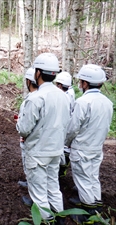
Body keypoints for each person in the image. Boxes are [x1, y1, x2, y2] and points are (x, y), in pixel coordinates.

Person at [16, 53, 70, 223]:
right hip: (55, 151)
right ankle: (59, 219)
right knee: (53, 188)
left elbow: (24, 129)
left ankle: (47, 221)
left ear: (37, 73)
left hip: (38, 152)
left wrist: (18, 124)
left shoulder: (36, 98)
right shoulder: (63, 96)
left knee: (39, 193)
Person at [65, 64, 113, 224]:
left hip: (82, 147)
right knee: (93, 178)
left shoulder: (83, 102)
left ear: (85, 83)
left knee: (83, 180)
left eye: (81, 81)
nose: (79, 84)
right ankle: (96, 206)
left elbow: (73, 128)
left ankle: (87, 215)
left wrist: (66, 142)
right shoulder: (107, 102)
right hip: (96, 147)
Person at [15, 67, 38, 194]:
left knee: (31, 165)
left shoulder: (31, 100)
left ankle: (33, 192)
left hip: (31, 140)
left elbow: (24, 128)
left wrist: (19, 124)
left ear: (28, 82)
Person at [54, 71, 75, 178]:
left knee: (62, 149)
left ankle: (60, 172)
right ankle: (61, 171)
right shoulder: (70, 93)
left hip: (62, 127)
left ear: (60, 85)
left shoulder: (63, 97)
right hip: (66, 126)